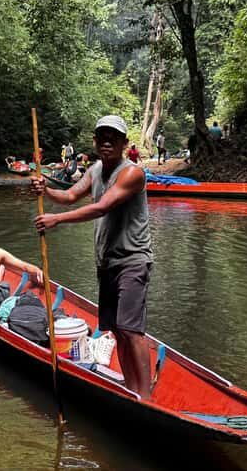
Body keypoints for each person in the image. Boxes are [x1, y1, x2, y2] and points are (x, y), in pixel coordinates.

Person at [31, 115, 154, 399]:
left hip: (133, 260)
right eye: (102, 136)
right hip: (107, 263)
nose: (107, 141)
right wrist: (46, 191)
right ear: (95, 141)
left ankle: (145, 398)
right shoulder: (96, 169)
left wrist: (57, 220)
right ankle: (129, 387)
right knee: (117, 330)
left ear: (124, 143)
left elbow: (102, 207)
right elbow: (71, 195)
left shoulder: (132, 173)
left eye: (114, 136)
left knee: (131, 329)